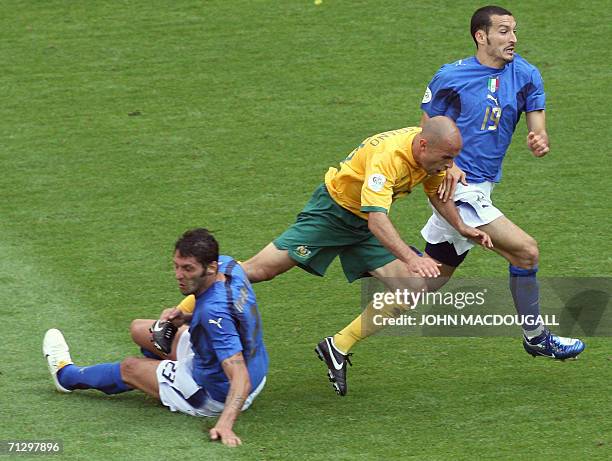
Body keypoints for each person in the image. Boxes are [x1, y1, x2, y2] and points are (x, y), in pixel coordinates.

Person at [242, 116, 493, 395]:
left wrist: (461, 226)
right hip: (332, 215)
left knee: (412, 287)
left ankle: (337, 346)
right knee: (260, 270)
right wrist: (412, 259)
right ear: (423, 145)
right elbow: (377, 220)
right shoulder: (389, 157)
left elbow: (436, 194)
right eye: (447, 158)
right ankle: (190, 304)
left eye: (453, 159)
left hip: (364, 225)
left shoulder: (431, 156)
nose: (450, 166)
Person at [43, 229, 268, 447]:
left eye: (188, 269)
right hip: (251, 366)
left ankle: (65, 376)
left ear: (210, 267)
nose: (179, 275)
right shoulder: (230, 267)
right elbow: (231, 317)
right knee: (140, 329)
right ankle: (160, 373)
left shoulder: (213, 313)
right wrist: (187, 317)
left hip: (217, 392)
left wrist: (225, 425)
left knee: (130, 367)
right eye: (176, 266)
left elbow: (239, 376)